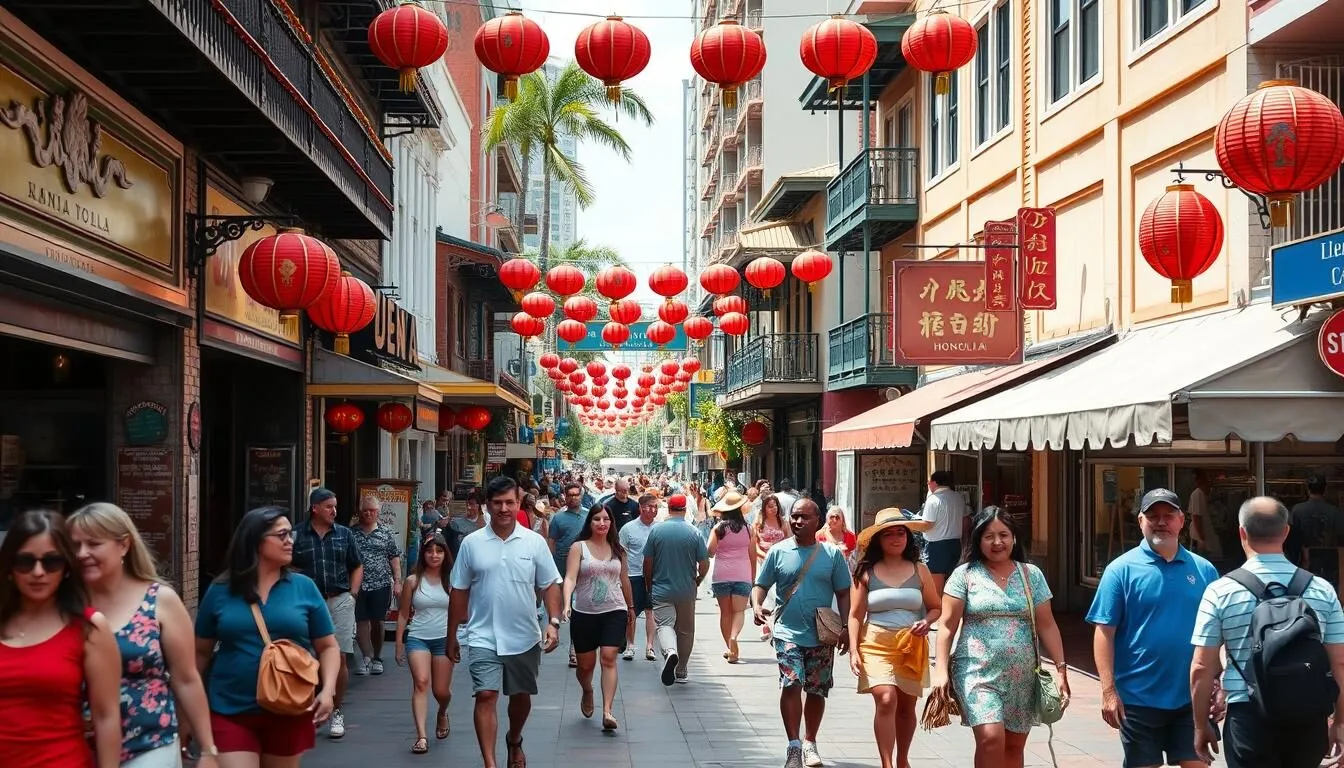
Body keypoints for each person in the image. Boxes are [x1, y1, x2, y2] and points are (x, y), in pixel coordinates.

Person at [1191, 496, 1344, 767]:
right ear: (1286, 531)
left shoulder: (1220, 591)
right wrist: (1340, 722)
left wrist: (1201, 724)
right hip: (1307, 716)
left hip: (1248, 716)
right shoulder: (1322, 589)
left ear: (1241, 532)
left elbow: (1202, 667)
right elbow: (1339, 662)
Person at [69, 502, 218, 767]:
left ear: (124, 545)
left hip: (148, 742)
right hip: (73, 746)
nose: (82, 554)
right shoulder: (64, 605)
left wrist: (207, 749)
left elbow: (186, 679)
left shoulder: (160, 601)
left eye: (93, 544)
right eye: (74, 546)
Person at [195, 506, 341, 764]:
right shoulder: (220, 591)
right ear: (255, 541)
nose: (290, 541)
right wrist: (188, 713)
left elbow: (328, 646)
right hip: (229, 707)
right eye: (282, 535)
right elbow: (199, 652)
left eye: (291, 534)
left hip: (289, 707)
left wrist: (327, 690)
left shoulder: (303, 587)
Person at [1085, 488, 1219, 768]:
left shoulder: (1205, 570)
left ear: (1182, 520)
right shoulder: (1120, 570)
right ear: (1140, 521)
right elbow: (1104, 632)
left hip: (1192, 696)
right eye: (1153, 516)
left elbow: (1218, 632)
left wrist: (1220, 682)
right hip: (1138, 698)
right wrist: (1108, 690)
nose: (1161, 522)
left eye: (1168, 516)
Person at [933, 507, 1070, 767]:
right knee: (990, 737)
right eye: (989, 536)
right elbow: (947, 626)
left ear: (1014, 538)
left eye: (1004, 535)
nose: (998, 542)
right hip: (976, 672)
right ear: (977, 539)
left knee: (1014, 746)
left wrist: (1061, 670)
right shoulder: (965, 575)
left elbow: (1048, 625)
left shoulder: (1031, 575)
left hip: (1022, 674)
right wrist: (940, 670)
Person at [448, 476, 562, 768]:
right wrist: (451, 636)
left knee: (520, 697)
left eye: (509, 502)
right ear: (488, 506)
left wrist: (553, 622)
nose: (503, 508)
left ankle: (514, 738)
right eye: (497, 503)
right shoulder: (472, 544)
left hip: (524, 635)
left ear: (518, 503)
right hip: (482, 635)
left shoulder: (534, 542)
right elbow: (459, 590)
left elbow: (550, 584)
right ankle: (490, 762)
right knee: (485, 694)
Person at [0, 509, 122, 768]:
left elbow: (106, 716)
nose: (38, 572)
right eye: (25, 561)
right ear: (9, 567)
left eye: (52, 562)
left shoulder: (89, 628)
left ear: (67, 567)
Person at [752, 499, 853, 768]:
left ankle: (810, 742)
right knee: (792, 683)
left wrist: (846, 627)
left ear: (817, 520)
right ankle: (793, 746)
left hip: (822, 633)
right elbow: (760, 585)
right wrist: (756, 604)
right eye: (794, 517)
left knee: (817, 690)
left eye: (804, 517)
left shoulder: (831, 555)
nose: (797, 522)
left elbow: (844, 592)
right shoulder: (778, 552)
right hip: (787, 632)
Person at [848, 508, 939, 768]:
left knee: (906, 707)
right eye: (889, 534)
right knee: (886, 699)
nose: (896, 538)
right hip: (876, 643)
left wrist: (927, 621)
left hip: (911, 645)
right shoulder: (865, 571)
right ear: (879, 539)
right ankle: (886, 762)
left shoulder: (920, 570)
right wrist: (854, 650)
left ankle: (902, 759)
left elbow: (936, 606)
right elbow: (855, 615)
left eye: (901, 533)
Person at [290, 488, 363, 739]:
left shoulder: (344, 534)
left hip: (339, 599)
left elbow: (356, 564)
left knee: (340, 656)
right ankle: (309, 708)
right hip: (307, 603)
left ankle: (337, 709)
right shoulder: (296, 535)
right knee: (305, 657)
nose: (334, 511)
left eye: (335, 506)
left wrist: (352, 594)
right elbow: (285, 566)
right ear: (315, 508)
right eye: (329, 506)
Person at [562, 504, 634, 731]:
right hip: (584, 613)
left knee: (609, 658)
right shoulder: (578, 548)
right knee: (585, 667)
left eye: (606, 519)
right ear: (589, 523)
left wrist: (631, 606)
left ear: (611, 523)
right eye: (596, 519)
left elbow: (625, 580)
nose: (602, 523)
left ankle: (608, 711)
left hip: (614, 611)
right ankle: (587, 690)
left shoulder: (618, 550)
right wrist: (566, 603)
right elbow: (570, 578)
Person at [394, 532, 455, 755]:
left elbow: (462, 612)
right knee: (421, 682)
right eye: (429, 551)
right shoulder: (413, 581)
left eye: (439, 551)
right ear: (423, 554)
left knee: (441, 691)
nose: (434, 555)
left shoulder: (452, 580)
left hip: (444, 640)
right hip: (418, 637)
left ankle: (442, 712)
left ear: (445, 554)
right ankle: (421, 736)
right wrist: (399, 642)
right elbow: (403, 614)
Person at [643, 493, 710, 686]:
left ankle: (670, 652)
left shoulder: (656, 531)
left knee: (664, 624)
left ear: (669, 508)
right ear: (684, 510)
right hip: (686, 589)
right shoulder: (694, 532)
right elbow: (704, 563)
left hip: (661, 588)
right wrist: (698, 579)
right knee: (686, 630)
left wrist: (649, 584)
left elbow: (648, 562)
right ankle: (681, 670)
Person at [352, 494, 402, 677]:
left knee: (378, 621)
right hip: (358, 585)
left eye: (372, 510)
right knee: (361, 621)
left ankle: (378, 657)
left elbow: (394, 557)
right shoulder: (352, 533)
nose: (368, 514)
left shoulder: (386, 533)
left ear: (378, 512)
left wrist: (397, 581)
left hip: (380, 584)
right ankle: (367, 656)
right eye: (365, 510)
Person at [707, 491, 757, 663]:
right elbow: (753, 556)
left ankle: (730, 647)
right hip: (742, 574)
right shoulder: (749, 529)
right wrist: (753, 577)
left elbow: (710, 551)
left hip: (721, 574)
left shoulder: (718, 528)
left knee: (725, 613)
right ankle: (734, 637)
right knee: (739, 611)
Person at [549, 482, 588, 668]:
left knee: (582, 607)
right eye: (570, 495)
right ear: (565, 496)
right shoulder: (558, 519)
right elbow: (552, 543)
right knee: (571, 607)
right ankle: (573, 647)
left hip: (586, 566)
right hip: (563, 566)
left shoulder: (589, 516)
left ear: (581, 495)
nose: (573, 498)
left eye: (576, 494)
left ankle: (579, 647)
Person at [617, 493, 660, 661]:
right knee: (631, 610)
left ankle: (650, 647)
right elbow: (621, 553)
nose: (653, 510)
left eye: (656, 506)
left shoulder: (659, 528)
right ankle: (630, 645)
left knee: (651, 611)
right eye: (650, 506)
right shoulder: (628, 529)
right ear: (641, 508)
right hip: (633, 574)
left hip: (653, 575)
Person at [919, 470, 970, 594]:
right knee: (952, 584)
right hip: (955, 544)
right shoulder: (957, 497)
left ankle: (940, 612)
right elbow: (965, 520)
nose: (928, 485)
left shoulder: (933, 499)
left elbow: (927, 524)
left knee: (937, 588)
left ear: (934, 483)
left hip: (937, 546)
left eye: (928, 482)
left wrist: (912, 524)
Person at [1287, 474, 1344, 570]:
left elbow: (1291, 537)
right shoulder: (1334, 511)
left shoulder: (1297, 510)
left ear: (1308, 490)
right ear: (1325, 489)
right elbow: (1341, 539)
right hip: (1329, 561)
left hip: (1302, 562)